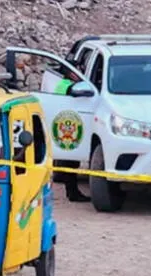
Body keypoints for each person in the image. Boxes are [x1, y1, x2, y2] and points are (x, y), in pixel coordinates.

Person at [54, 65, 92, 203]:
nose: (79, 74)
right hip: (67, 125)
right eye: (75, 71)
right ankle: (72, 193)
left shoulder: (62, 83)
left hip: (66, 122)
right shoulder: (67, 86)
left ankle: (72, 191)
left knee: (68, 160)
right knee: (69, 161)